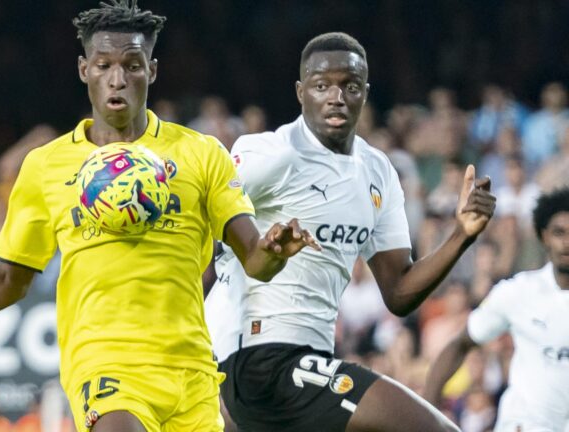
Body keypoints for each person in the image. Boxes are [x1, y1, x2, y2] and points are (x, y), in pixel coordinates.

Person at [0, 1, 316, 431]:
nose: (117, 78)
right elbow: (7, 279)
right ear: (83, 69)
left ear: (152, 71)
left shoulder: (200, 154)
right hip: (104, 362)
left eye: (132, 65)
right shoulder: (46, 166)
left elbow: (255, 260)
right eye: (103, 64)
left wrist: (276, 249)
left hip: (190, 371)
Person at [210, 32, 495, 432]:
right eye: (322, 85)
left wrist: (461, 235)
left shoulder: (377, 172)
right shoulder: (270, 154)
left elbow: (398, 292)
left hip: (310, 359)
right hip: (255, 359)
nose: (336, 96)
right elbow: (202, 209)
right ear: (300, 92)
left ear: (365, 92)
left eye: (350, 85)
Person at [425, 188, 569, 432]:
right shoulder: (518, 292)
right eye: (559, 232)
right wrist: (427, 410)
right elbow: (459, 345)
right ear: (544, 237)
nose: (567, 242)